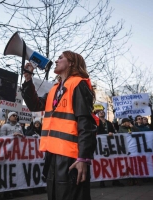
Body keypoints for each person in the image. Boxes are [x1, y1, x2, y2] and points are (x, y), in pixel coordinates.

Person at [21, 51, 97, 200]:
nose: (56, 61)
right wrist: (28, 78)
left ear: (72, 63)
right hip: (53, 155)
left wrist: (83, 158)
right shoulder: (55, 89)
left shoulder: (78, 83)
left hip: (71, 157)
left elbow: (86, 123)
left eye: (61, 58)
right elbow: (35, 105)